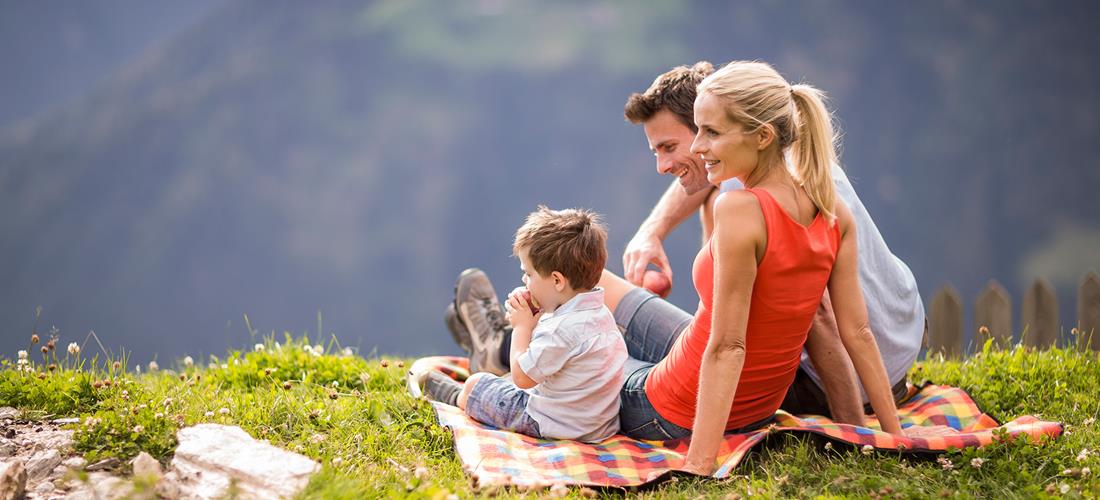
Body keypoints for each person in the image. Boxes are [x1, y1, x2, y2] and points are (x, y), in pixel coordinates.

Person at [597, 59, 910, 475]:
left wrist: (699, 464)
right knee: (599, 294)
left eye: (709, 133)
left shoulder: (739, 209)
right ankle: (528, 335)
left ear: (761, 136)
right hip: (746, 398)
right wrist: (891, 438)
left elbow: (730, 346)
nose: (697, 147)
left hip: (677, 403)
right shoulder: (830, 207)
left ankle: (512, 346)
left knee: (584, 351)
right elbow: (859, 331)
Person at [426, 206, 627, 443]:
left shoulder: (560, 330)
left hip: (554, 424)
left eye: (529, 274)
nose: (524, 280)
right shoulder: (600, 314)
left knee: (476, 383)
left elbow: (522, 378)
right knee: (507, 380)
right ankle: (488, 350)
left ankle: (458, 396)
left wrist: (522, 327)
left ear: (557, 280)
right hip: (598, 426)